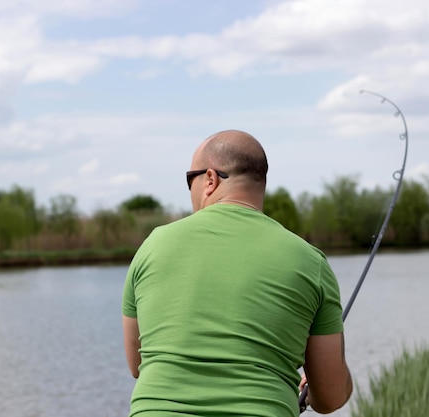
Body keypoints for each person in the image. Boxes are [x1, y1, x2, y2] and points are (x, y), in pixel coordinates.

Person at [122, 130, 352, 416]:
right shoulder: (309, 261)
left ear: (209, 179)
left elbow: (137, 364)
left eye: (188, 179)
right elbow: (330, 397)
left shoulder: (152, 246)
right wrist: (313, 391)